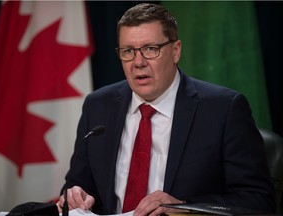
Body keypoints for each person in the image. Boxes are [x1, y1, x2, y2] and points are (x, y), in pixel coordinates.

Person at [57, 3, 275, 216]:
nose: (138, 62)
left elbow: (258, 201)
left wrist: (183, 207)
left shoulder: (223, 109)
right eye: (128, 51)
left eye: (151, 49)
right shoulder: (98, 105)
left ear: (176, 51)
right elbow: (77, 185)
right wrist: (75, 195)